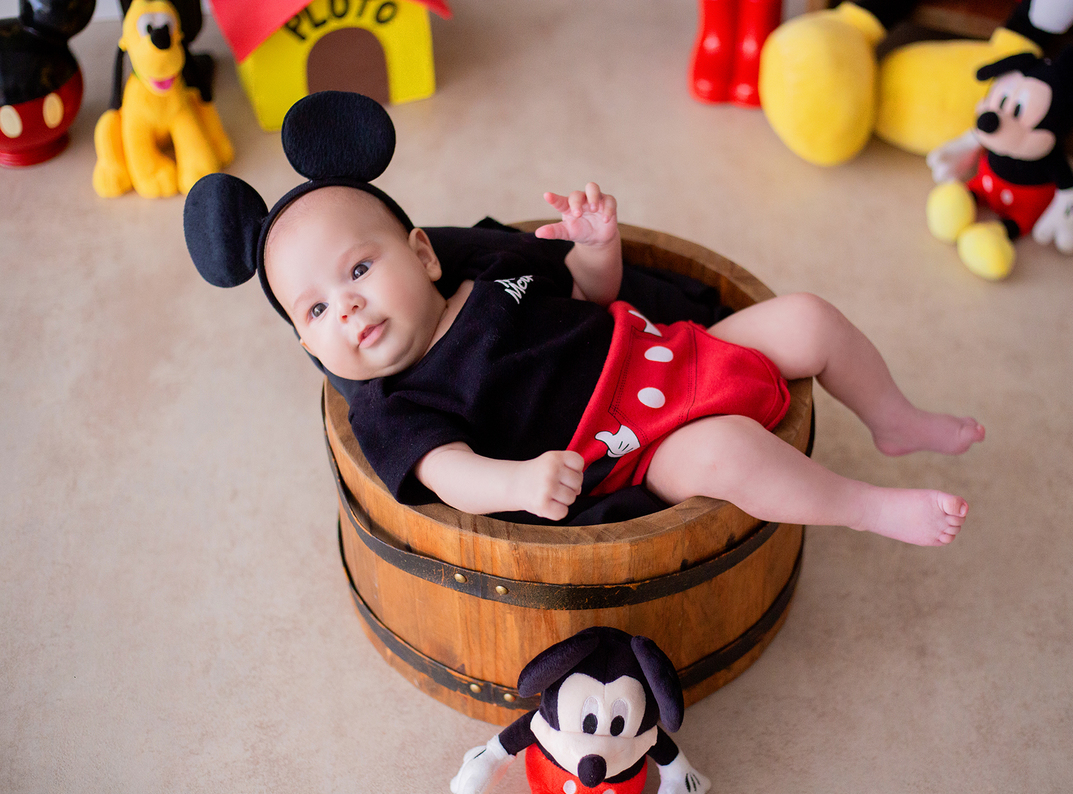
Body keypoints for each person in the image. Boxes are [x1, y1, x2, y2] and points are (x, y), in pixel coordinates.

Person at [260, 179, 984, 547]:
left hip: (667, 347)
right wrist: (517, 480)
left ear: (423, 254)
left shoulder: (494, 276)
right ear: (307, 347)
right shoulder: (396, 403)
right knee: (729, 454)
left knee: (808, 316)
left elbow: (590, 290)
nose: (346, 307)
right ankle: (866, 508)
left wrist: (598, 245)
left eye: (358, 269)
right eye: (316, 311)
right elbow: (447, 473)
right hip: (630, 449)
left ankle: (894, 418)